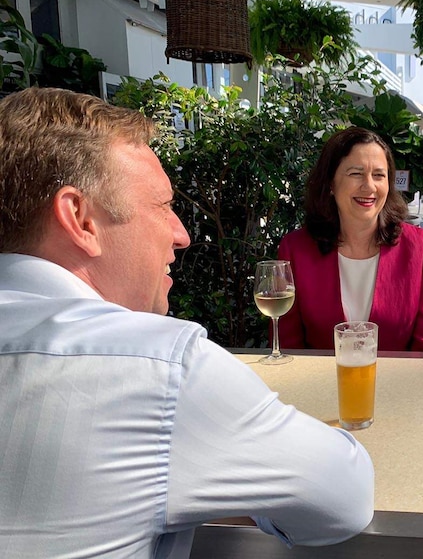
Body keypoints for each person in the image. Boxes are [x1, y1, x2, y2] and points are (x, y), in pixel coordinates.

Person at [0, 88, 374, 557]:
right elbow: (347, 495)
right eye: (161, 206)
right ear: (80, 219)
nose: (181, 234)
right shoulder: (158, 368)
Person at [278, 126, 423, 352]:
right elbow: (287, 347)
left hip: (399, 385)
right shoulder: (295, 250)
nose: (369, 186)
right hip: (321, 385)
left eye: (379, 175)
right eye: (356, 173)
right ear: (330, 183)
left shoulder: (420, 247)